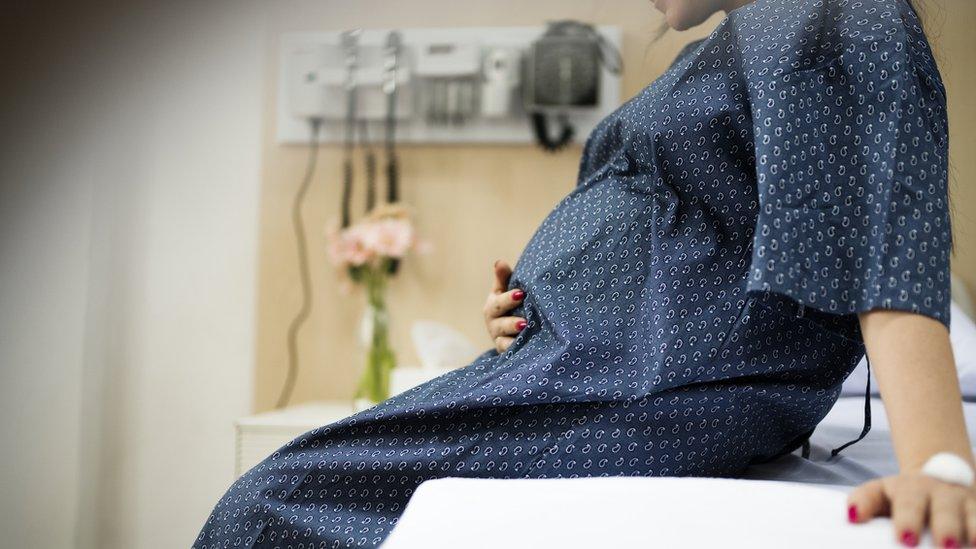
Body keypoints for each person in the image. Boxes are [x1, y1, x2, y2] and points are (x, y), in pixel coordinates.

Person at [196, 0, 972, 547]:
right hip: (595, 366)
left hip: (630, 381)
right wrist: (540, 297)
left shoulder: (832, 9)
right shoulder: (756, 36)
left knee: (267, 507)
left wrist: (939, 461)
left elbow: (884, 223)